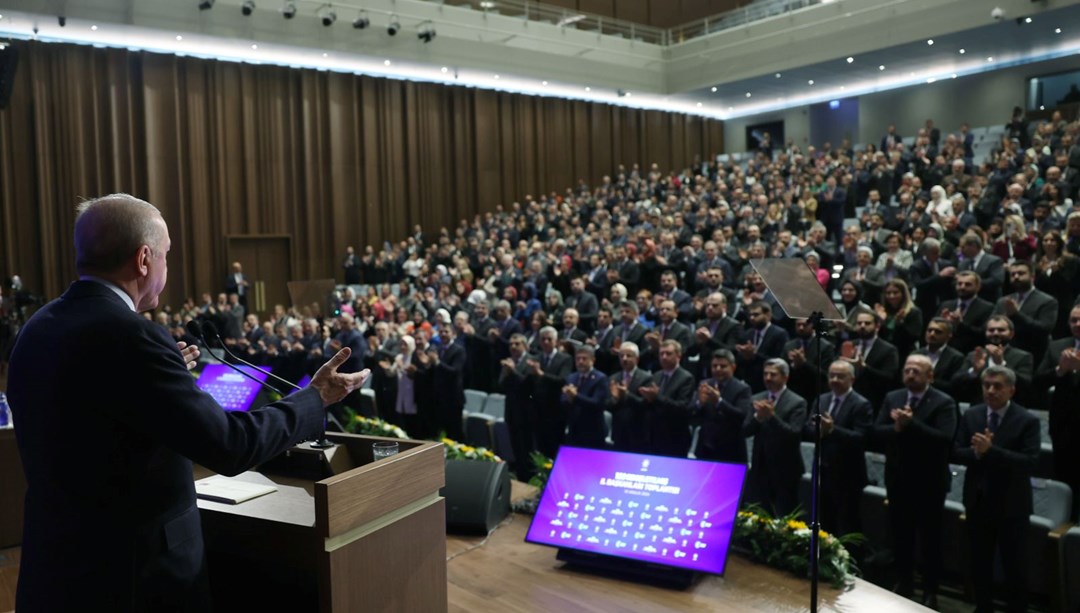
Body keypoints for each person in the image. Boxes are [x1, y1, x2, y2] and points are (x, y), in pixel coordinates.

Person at [7, 193, 369, 612]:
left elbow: (92, 416)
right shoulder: (132, 337)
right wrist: (315, 399)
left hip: (56, 571)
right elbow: (231, 445)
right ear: (144, 259)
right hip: (133, 580)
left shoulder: (38, 328)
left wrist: (158, 379)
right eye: (165, 254)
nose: (166, 264)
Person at [871, 355, 957, 608]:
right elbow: (876, 432)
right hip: (898, 479)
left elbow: (944, 439)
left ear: (930, 376)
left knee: (930, 539)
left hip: (930, 482)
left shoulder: (944, 402)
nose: (910, 375)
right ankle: (904, 581)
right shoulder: (893, 397)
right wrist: (897, 429)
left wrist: (911, 425)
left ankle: (931, 590)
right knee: (900, 535)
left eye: (916, 371)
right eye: (907, 370)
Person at [953, 366, 1039, 613]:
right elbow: (957, 451)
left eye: (997, 386)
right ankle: (983, 608)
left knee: (1014, 567)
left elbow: (1030, 462)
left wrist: (991, 452)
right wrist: (977, 454)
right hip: (978, 502)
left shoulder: (1026, 420)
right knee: (980, 563)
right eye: (986, 385)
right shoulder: (972, 414)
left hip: (1012, 506)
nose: (990, 391)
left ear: (1011, 390)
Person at [806, 360, 872, 538]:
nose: (835, 379)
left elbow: (862, 437)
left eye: (840, 376)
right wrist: (819, 431)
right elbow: (808, 428)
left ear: (852, 379)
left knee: (847, 524)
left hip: (847, 474)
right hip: (821, 469)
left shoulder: (861, 404)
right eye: (832, 375)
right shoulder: (822, 399)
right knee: (821, 519)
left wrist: (833, 430)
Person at [742, 358, 807, 517]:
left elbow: (793, 434)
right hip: (760, 467)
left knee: (785, 514)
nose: (768, 378)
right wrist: (758, 418)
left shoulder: (797, 402)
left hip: (786, 470)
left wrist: (771, 417)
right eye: (765, 374)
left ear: (785, 377)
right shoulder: (756, 398)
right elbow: (745, 430)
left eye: (773, 374)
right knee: (759, 513)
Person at [692, 349, 752, 464]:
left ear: (733, 367)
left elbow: (741, 416)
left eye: (723, 366)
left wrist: (719, 402)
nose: (718, 369)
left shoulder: (742, 389)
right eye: (714, 366)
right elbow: (692, 413)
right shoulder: (704, 384)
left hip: (730, 449)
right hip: (705, 448)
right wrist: (699, 404)